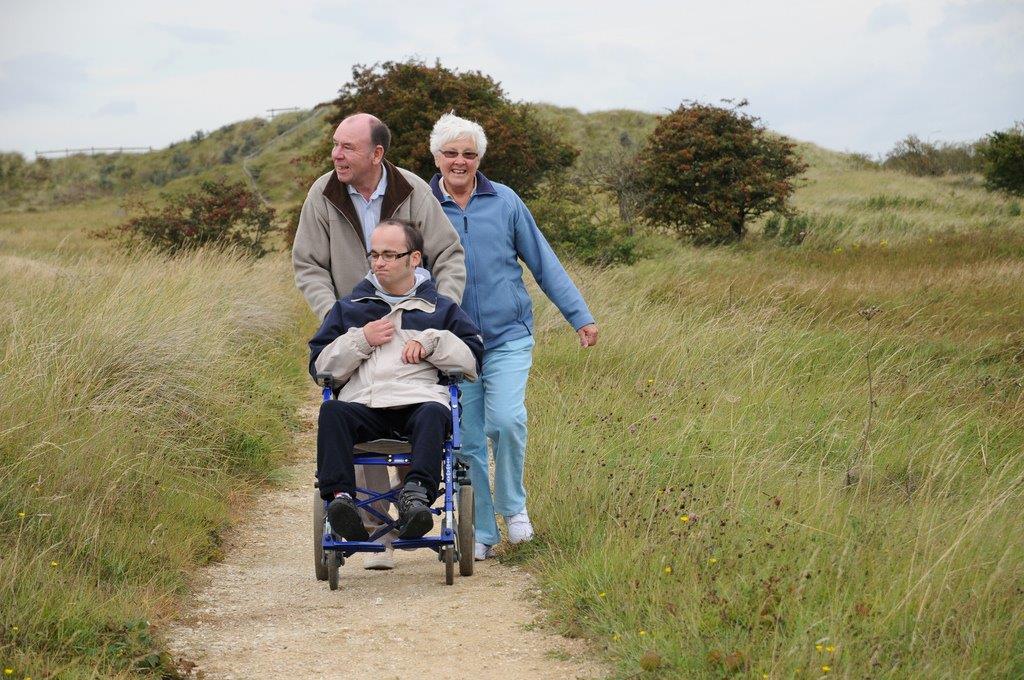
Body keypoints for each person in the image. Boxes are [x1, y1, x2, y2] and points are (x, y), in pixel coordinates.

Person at [294, 113, 466, 569]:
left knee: (425, 408)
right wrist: (344, 319)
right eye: (335, 145)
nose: (336, 155)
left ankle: (412, 506)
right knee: (351, 404)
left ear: (376, 154)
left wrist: (432, 315)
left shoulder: (412, 190)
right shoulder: (323, 194)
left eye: (347, 147)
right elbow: (308, 264)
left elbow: (448, 253)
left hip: (415, 321)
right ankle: (370, 528)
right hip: (357, 319)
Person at [427, 113, 599, 561]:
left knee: (506, 421)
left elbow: (543, 261)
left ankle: (514, 509)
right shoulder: (422, 206)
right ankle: (482, 530)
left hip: (508, 336)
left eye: (468, 153)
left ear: (479, 157)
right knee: (466, 440)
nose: (460, 161)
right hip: (454, 343)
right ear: (436, 157)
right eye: (451, 153)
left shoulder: (505, 201)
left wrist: (579, 316)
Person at [310, 219, 483, 544]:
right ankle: (341, 500)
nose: (379, 263)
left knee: (435, 412)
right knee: (332, 413)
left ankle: (416, 497)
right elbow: (320, 366)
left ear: (414, 258)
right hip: (365, 405)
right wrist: (361, 339)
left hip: (417, 404)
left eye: (389, 255)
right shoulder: (349, 309)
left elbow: (473, 358)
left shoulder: (441, 309)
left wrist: (434, 342)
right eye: (374, 255)